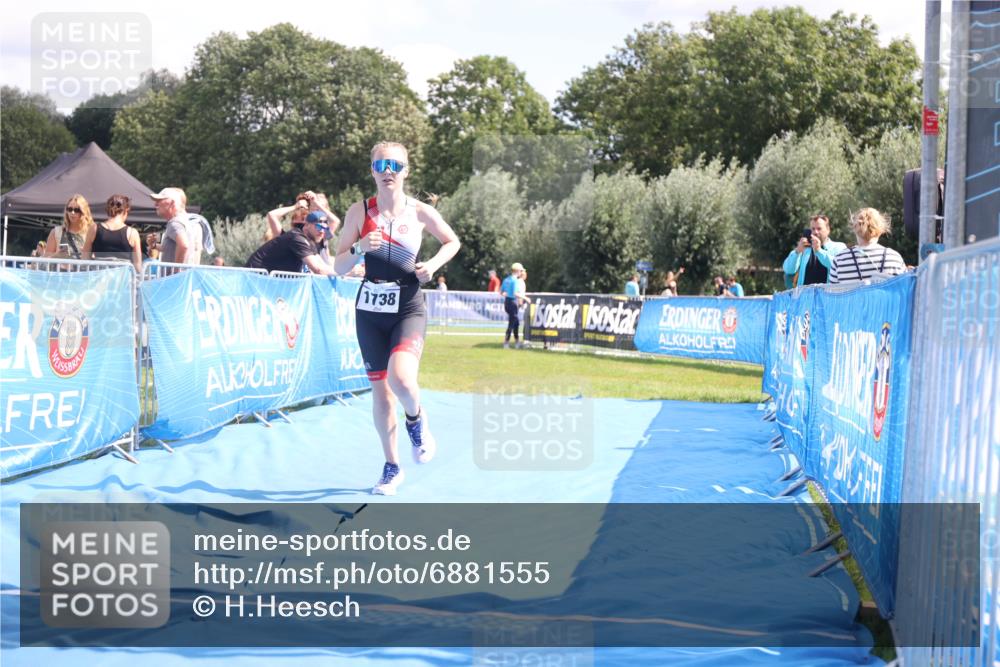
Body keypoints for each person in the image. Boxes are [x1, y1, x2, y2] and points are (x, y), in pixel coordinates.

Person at [333, 141, 461, 495]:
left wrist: (432, 266)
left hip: (407, 306)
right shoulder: (359, 212)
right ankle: (392, 467)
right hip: (370, 311)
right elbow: (338, 266)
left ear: (406, 171)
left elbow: (452, 242)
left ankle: (417, 421)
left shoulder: (419, 212)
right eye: (381, 164)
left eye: (395, 165)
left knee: (401, 380)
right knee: (381, 393)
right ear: (372, 170)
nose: (388, 170)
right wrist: (360, 248)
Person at [829, 208, 906, 284]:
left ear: (855, 227)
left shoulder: (840, 260)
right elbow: (904, 290)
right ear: (881, 229)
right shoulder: (894, 257)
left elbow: (832, 294)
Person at [247, 211, 337, 274]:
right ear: (307, 225)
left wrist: (341, 272)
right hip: (256, 276)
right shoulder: (297, 238)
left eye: (325, 228)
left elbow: (321, 265)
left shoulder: (311, 242)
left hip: (269, 279)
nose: (322, 231)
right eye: (318, 226)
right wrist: (342, 274)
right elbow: (318, 269)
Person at [82, 194, 142, 273]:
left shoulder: (94, 228)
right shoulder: (132, 233)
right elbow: (137, 265)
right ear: (126, 210)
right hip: (122, 280)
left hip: (99, 278)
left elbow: (85, 257)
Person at [782, 214, 847, 286]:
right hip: (805, 296)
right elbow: (788, 270)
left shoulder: (839, 247)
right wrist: (797, 251)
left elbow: (839, 268)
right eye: (813, 229)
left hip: (827, 295)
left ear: (828, 230)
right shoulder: (805, 248)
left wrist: (819, 251)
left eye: (819, 229)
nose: (815, 232)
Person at [151, 187, 199, 264]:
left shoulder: (175, 223)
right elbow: (170, 249)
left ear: (172, 203)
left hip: (176, 276)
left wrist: (176, 271)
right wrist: (154, 245)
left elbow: (183, 246)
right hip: (185, 274)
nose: (155, 204)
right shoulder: (185, 221)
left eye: (159, 200)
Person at [45, 195, 93, 260]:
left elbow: (97, 258)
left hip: (83, 269)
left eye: (76, 210)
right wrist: (57, 255)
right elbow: (44, 261)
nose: (72, 213)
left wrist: (88, 255)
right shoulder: (56, 232)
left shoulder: (91, 232)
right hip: (60, 269)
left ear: (83, 212)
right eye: (70, 209)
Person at [501, 263, 525, 349]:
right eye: (521, 271)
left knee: (516, 323)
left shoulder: (506, 279)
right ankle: (506, 343)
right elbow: (516, 293)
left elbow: (502, 292)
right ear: (517, 271)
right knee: (512, 323)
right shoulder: (515, 280)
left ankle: (517, 342)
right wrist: (526, 298)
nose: (521, 272)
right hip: (513, 303)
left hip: (507, 302)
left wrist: (508, 295)